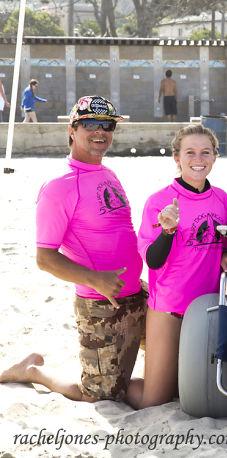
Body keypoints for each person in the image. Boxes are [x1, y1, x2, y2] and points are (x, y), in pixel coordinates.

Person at [0, 96, 146, 404]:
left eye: (107, 126)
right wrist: (96, 280)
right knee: (99, 395)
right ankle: (34, 370)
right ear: (72, 130)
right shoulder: (59, 185)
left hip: (137, 295)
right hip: (99, 305)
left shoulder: (108, 173)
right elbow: (45, 258)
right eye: (90, 124)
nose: (101, 132)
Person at [130, 124, 227, 408]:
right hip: (170, 310)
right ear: (177, 158)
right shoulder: (160, 201)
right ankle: (109, 384)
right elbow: (152, 260)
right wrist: (167, 231)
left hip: (207, 311)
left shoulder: (222, 198)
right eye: (190, 152)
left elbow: (222, 243)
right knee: (155, 399)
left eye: (205, 152)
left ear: (214, 157)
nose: (198, 159)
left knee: (190, 391)